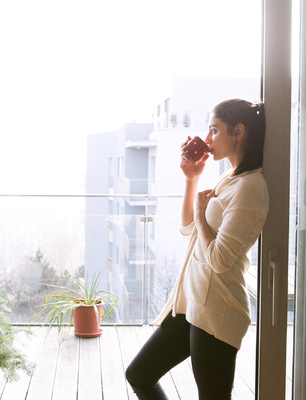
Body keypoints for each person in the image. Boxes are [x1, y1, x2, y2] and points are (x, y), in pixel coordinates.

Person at [125, 98, 269, 400]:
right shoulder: (229, 179)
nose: (207, 139)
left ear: (238, 131)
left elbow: (218, 259)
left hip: (218, 310)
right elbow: (188, 228)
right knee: (139, 374)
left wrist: (203, 215)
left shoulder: (250, 188)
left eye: (214, 130)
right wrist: (192, 181)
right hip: (191, 303)